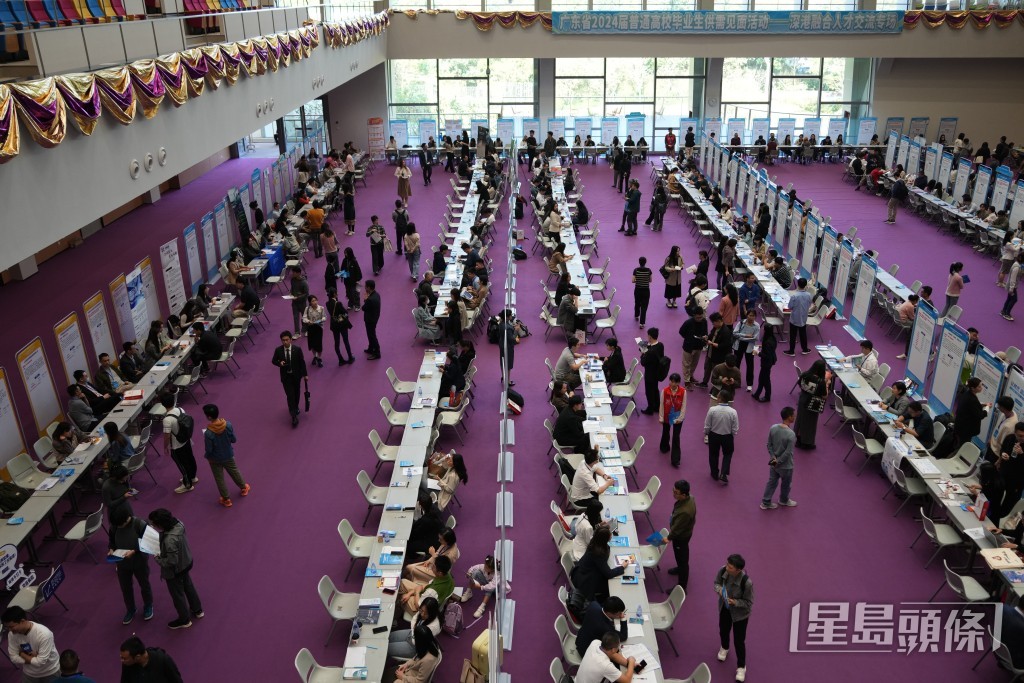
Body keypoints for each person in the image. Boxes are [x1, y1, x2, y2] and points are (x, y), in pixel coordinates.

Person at [148, 508, 203, 630]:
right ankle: (197, 610)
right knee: (189, 587)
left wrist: (158, 559)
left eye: (154, 524)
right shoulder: (179, 524)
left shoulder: (169, 540)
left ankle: (184, 619)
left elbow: (171, 561)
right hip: (186, 563)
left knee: (178, 595)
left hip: (175, 571)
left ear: (161, 524)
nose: (153, 526)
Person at [107, 507, 154, 625]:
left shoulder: (140, 524)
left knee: (144, 584)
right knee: (125, 588)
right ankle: (131, 609)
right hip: (122, 563)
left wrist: (134, 551)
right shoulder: (114, 526)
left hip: (139, 562)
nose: (119, 527)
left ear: (126, 519)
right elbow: (112, 541)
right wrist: (111, 549)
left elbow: (148, 542)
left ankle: (148, 606)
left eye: (120, 525)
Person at [715, 554, 755, 683]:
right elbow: (716, 583)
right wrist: (719, 590)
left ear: (738, 570)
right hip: (725, 608)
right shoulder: (723, 570)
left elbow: (749, 603)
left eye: (730, 567)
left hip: (740, 615)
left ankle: (741, 667)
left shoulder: (747, 583)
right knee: (723, 630)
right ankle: (724, 647)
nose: (727, 568)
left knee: (739, 640)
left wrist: (735, 602)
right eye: (727, 564)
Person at [202, 404, 250, 508]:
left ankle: (226, 499)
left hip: (215, 459)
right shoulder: (227, 425)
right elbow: (234, 439)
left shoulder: (208, 433)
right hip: (228, 455)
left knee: (219, 478)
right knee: (234, 471)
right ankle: (243, 487)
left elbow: (209, 449)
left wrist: (207, 457)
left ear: (209, 417)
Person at [3, 606, 60, 683]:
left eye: (11, 627)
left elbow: (40, 662)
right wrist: (34, 659)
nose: (9, 630)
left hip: (50, 672)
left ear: (22, 621)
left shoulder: (44, 634)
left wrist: (21, 654)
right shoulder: (12, 634)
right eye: (7, 627)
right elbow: (13, 658)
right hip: (29, 674)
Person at [572, 527, 628, 604]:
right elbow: (609, 574)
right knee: (611, 585)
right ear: (604, 539)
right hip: (586, 581)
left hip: (581, 573)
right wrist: (622, 567)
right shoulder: (598, 553)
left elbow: (606, 551)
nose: (611, 535)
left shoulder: (594, 542)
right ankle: (603, 601)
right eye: (610, 534)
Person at [660, 479, 696, 590]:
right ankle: (679, 569)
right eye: (673, 490)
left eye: (676, 493)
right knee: (679, 556)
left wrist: (669, 538)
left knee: (682, 559)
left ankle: (682, 586)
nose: (673, 494)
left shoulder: (685, 511)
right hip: (683, 532)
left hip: (681, 537)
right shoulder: (690, 497)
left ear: (684, 495)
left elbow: (677, 529)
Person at [761, 406, 798, 510]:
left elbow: (769, 445)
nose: (795, 417)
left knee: (771, 482)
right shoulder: (791, 434)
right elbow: (788, 452)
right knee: (786, 484)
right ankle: (783, 500)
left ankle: (765, 502)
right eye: (793, 415)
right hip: (786, 465)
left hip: (773, 462)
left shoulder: (773, 428)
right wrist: (779, 461)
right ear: (789, 417)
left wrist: (774, 458)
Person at [160, 393, 197, 493]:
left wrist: (166, 447)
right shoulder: (180, 409)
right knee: (190, 459)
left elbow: (167, 436)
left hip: (177, 445)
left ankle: (187, 485)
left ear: (162, 404)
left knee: (182, 465)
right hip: (186, 440)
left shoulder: (167, 420)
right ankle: (193, 477)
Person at [271, 330, 308, 428]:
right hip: (286, 378)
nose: (285, 342)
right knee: (290, 395)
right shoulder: (278, 350)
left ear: (291, 340)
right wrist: (279, 363)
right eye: (283, 340)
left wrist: (305, 375)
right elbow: (273, 361)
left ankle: (295, 407)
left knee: (297, 394)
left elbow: (302, 362)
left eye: (287, 340)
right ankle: (294, 416)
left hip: (296, 376)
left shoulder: (297, 349)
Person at [575, 596, 628, 662]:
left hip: (580, 639)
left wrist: (616, 615)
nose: (621, 614)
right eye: (619, 613)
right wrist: (623, 618)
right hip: (586, 651)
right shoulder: (605, 628)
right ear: (609, 613)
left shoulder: (594, 605)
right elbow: (623, 636)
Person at [794, 360, 831, 450]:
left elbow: (799, 384)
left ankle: (798, 439)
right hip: (813, 403)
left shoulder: (804, 374)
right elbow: (824, 396)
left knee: (800, 419)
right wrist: (827, 384)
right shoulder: (821, 382)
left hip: (803, 399)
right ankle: (806, 442)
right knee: (810, 423)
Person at [706, 389, 739, 483]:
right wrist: (732, 434)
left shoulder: (712, 410)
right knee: (728, 454)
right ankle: (723, 473)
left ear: (720, 398)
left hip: (714, 435)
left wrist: (707, 433)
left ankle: (714, 473)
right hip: (727, 436)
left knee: (713, 454)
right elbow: (735, 427)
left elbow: (707, 424)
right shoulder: (733, 412)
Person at [118, 636, 183, 683]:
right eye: (121, 657)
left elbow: (176, 681)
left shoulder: (163, 660)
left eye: (124, 658)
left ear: (137, 657)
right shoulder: (127, 664)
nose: (122, 660)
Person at [461, 554, 504, 619]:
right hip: (488, 583)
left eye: (486, 567)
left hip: (496, 589)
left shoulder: (497, 574)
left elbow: (492, 586)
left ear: (492, 569)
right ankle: (468, 592)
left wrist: (481, 587)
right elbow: (475, 567)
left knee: (489, 589)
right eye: (485, 565)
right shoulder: (484, 566)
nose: (484, 567)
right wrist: (469, 573)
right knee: (475, 572)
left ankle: (482, 607)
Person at [659, 373, 687, 467]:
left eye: (675, 382)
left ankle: (675, 460)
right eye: (671, 381)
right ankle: (664, 447)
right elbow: (661, 405)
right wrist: (661, 417)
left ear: (678, 383)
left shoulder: (683, 392)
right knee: (665, 432)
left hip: (678, 417)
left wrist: (681, 418)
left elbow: (684, 406)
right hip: (667, 416)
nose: (673, 384)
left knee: (676, 437)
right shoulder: (664, 391)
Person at [699, 312, 733, 389]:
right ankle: (704, 382)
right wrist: (707, 337)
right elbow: (711, 335)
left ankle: (716, 388)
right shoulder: (716, 327)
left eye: (713, 323)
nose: (712, 324)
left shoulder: (726, 332)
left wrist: (712, 344)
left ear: (718, 321)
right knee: (707, 368)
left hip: (719, 356)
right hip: (710, 353)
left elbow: (725, 346)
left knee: (717, 373)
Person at [952, 377, 988, 448]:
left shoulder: (967, 394)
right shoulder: (972, 399)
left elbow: (972, 407)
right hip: (965, 430)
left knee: (961, 444)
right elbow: (979, 415)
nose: (981, 388)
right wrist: (987, 409)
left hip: (961, 427)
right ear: (973, 388)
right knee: (963, 447)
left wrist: (981, 405)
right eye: (979, 387)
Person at [325, 288, 355, 365]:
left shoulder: (327, 303)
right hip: (342, 325)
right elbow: (345, 313)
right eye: (336, 292)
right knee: (346, 341)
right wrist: (342, 318)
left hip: (334, 325)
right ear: (334, 294)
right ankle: (350, 357)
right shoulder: (338, 303)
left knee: (336, 342)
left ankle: (340, 359)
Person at [679, 308, 708, 388]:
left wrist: (705, 336)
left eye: (701, 317)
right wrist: (689, 338)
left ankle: (691, 376)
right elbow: (681, 332)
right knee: (686, 364)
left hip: (699, 346)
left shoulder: (704, 321)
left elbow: (705, 331)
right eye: (698, 317)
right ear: (694, 315)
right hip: (689, 347)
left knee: (694, 363)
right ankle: (687, 381)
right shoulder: (688, 322)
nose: (699, 319)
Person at [733, 309, 761, 391]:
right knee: (736, 364)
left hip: (750, 347)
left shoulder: (757, 326)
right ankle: (736, 382)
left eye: (753, 316)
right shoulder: (741, 322)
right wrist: (746, 335)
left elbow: (755, 338)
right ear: (747, 315)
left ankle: (749, 384)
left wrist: (742, 338)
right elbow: (734, 333)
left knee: (750, 365)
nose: (751, 317)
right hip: (739, 345)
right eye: (750, 315)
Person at [639, 328, 666, 415]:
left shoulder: (650, 352)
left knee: (649, 391)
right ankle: (657, 406)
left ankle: (650, 408)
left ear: (650, 337)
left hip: (649, 373)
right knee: (655, 389)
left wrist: (642, 354)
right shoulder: (660, 345)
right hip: (657, 371)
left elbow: (643, 362)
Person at [783, 278, 813, 355]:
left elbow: (790, 306)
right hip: (803, 317)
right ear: (805, 285)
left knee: (793, 335)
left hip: (794, 318)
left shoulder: (794, 296)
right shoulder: (809, 295)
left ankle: (791, 351)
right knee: (803, 334)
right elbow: (809, 304)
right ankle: (805, 349)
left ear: (798, 285)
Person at [988, 396, 1019, 462]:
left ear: (1003, 408)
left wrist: (999, 460)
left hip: (996, 453)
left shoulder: (1010, 426)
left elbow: (1004, 445)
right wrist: (991, 439)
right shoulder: (1006, 413)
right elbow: (997, 428)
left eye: (999, 405)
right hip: (992, 445)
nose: (998, 406)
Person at [301, 294, 325, 368]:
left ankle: (319, 358)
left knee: (319, 345)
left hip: (318, 328)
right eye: (313, 301)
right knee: (312, 344)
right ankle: (315, 356)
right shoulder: (307, 309)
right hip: (311, 328)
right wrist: (308, 321)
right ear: (310, 302)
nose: (315, 302)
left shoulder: (321, 308)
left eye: (315, 300)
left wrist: (321, 320)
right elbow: (304, 318)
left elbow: (324, 317)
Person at [497, 309, 518, 386]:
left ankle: (503, 376)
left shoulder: (501, 323)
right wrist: (516, 331)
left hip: (502, 345)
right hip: (507, 347)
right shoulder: (507, 327)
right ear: (507, 317)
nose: (512, 316)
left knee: (503, 362)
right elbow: (512, 339)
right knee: (508, 364)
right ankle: (508, 381)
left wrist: (512, 327)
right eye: (510, 315)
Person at [287, 266, 309, 339]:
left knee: (304, 317)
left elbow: (306, 294)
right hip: (294, 303)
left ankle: (306, 330)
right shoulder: (292, 280)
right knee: (295, 317)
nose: (292, 274)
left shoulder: (304, 282)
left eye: (294, 272)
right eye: (292, 272)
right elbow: (292, 288)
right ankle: (297, 333)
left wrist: (298, 297)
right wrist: (291, 293)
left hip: (302, 303)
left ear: (299, 273)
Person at [1002, 252, 1024, 321]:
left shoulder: (1018, 265)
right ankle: (1007, 314)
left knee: (1009, 299)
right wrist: (1011, 289)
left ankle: (1003, 311)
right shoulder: (1017, 267)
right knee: (1014, 299)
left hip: (1012, 286)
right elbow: (1013, 279)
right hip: (1012, 286)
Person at [631, 256, 652, 328]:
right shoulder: (649, 270)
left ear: (639, 262)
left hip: (638, 290)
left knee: (637, 303)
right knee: (644, 307)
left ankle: (636, 315)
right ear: (645, 262)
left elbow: (633, 281)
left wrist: (638, 280)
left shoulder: (636, 270)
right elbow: (650, 280)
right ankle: (642, 324)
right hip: (646, 291)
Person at [363, 279, 382, 360]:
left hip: (370, 319)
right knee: (370, 334)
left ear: (369, 287)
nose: (364, 288)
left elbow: (363, 308)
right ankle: (371, 348)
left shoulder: (370, 299)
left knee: (372, 335)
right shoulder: (377, 295)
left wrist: (365, 299)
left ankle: (377, 352)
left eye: (366, 286)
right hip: (374, 317)